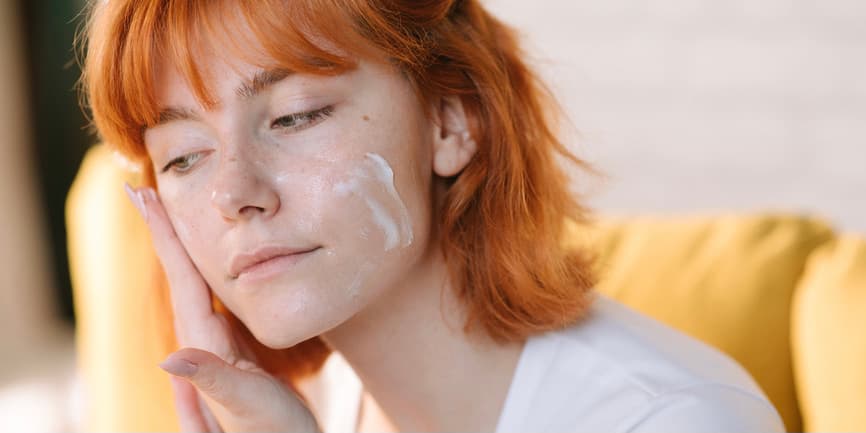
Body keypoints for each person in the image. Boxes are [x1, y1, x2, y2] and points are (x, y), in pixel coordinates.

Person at [79, 0, 786, 431]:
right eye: (182, 157)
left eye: (296, 116)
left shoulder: (674, 421)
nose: (235, 191)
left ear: (453, 120)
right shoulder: (326, 401)